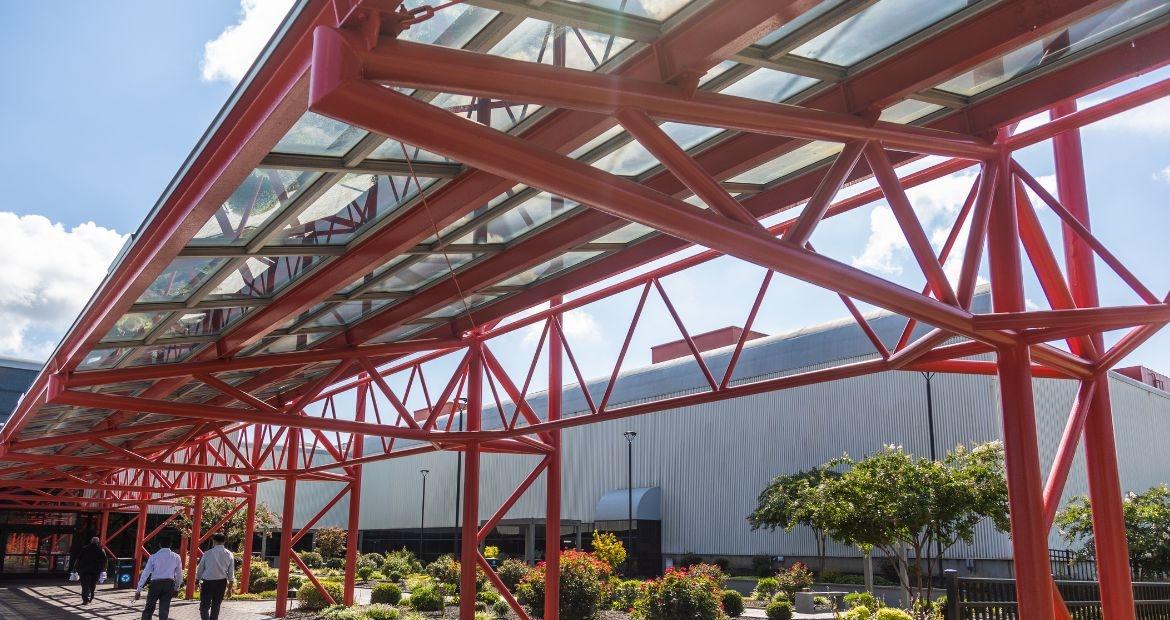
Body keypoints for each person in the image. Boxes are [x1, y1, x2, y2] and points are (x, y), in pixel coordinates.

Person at [135, 540, 182, 620]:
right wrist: (177, 588)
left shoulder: (153, 557)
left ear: (160, 545)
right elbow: (179, 574)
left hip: (155, 584)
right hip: (169, 584)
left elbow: (145, 573)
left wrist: (139, 589)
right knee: (164, 609)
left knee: (149, 608)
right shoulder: (176, 557)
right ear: (170, 545)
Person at [195, 533, 234, 620]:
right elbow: (231, 574)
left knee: (204, 606)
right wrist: (230, 588)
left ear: (214, 541)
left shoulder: (208, 553)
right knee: (216, 606)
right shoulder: (229, 554)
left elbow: (200, 569)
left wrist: (196, 582)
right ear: (224, 541)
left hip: (208, 582)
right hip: (221, 582)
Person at [75, 536, 107, 605]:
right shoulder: (100, 549)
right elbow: (105, 560)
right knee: (92, 585)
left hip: (84, 570)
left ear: (91, 541)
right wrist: (103, 569)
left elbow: (78, 558)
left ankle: (85, 600)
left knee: (85, 585)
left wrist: (75, 568)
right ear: (98, 542)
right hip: (96, 571)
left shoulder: (85, 548)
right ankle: (91, 596)